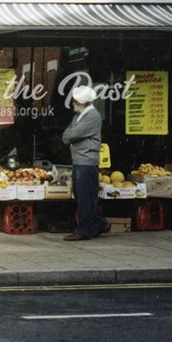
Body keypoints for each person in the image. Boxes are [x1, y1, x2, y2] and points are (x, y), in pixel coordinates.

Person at [62, 85, 109, 241]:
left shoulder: (92, 116)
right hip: (80, 161)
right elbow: (67, 134)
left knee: (84, 197)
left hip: (86, 162)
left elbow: (71, 135)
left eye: (76, 101)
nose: (73, 103)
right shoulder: (79, 115)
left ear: (85, 102)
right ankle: (99, 223)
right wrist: (70, 135)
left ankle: (84, 230)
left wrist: (70, 135)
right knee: (83, 195)